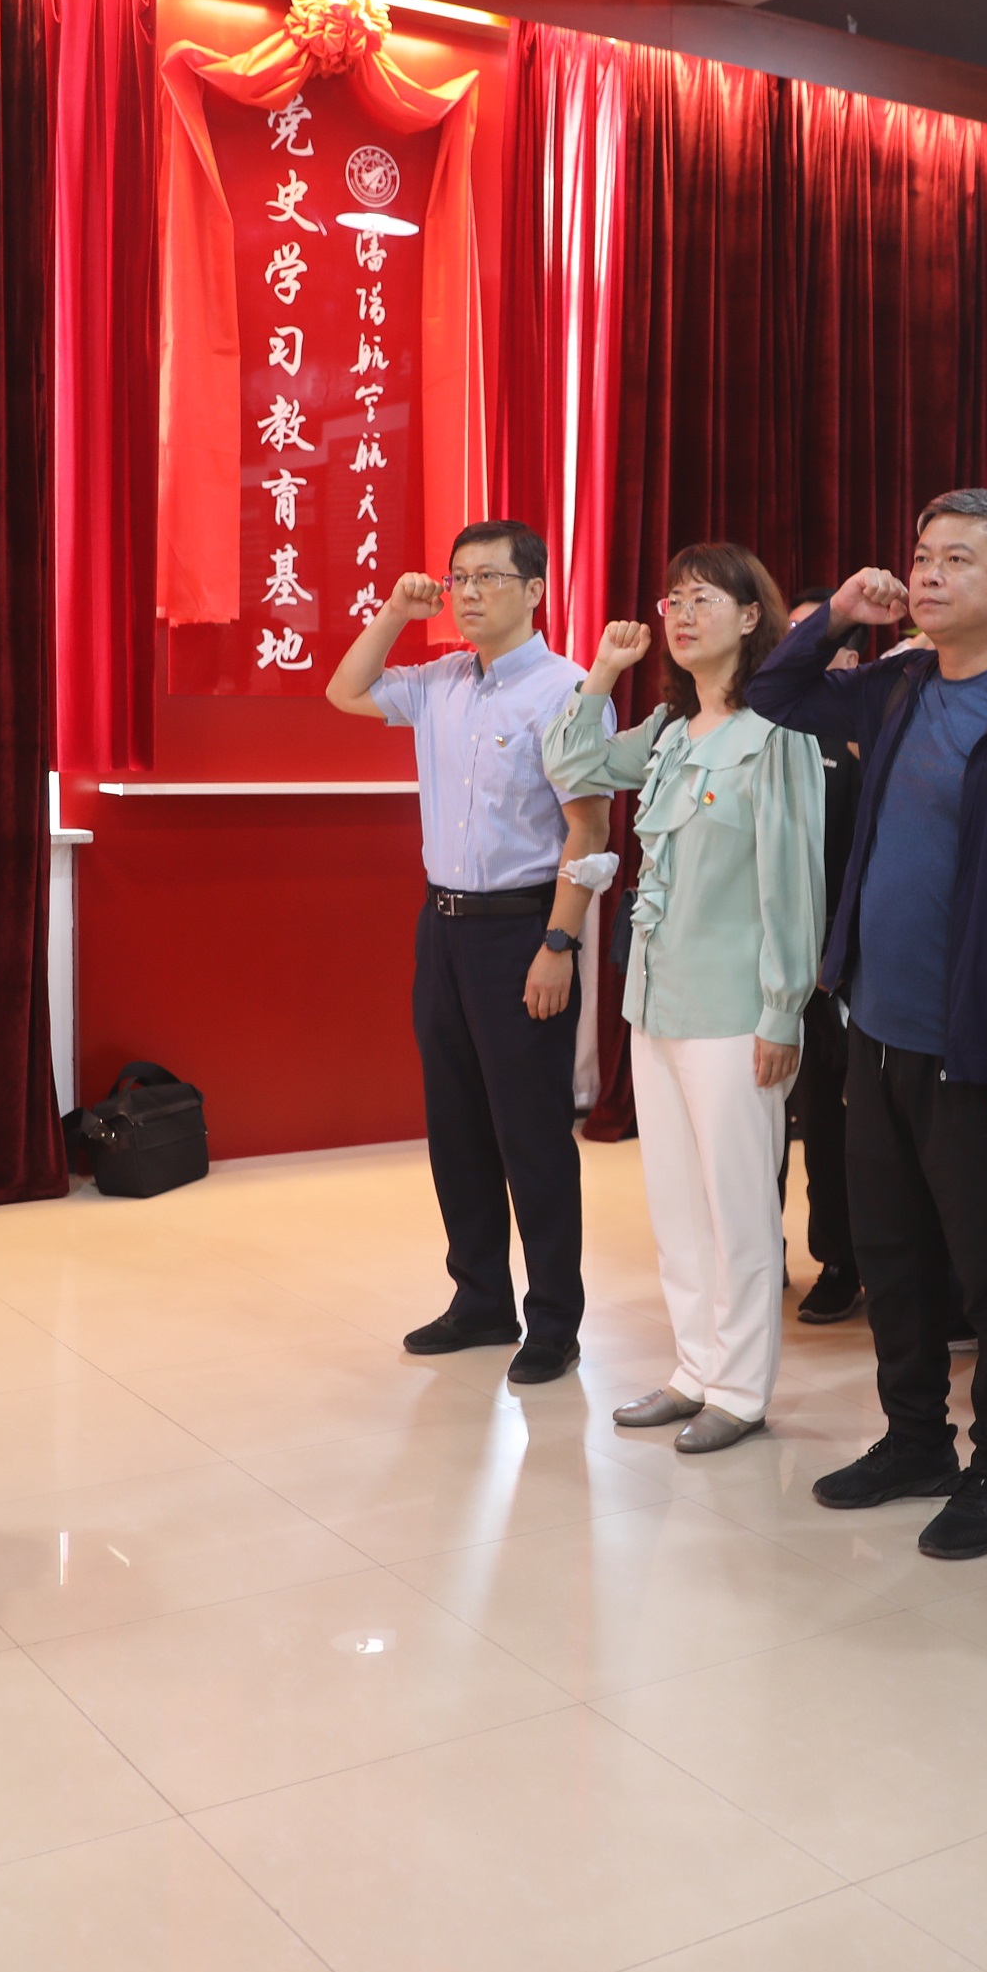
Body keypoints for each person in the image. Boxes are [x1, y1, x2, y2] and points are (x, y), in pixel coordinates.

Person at [748, 491, 987, 1559]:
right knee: (894, 1258)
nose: (929, 574)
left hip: (981, 1051)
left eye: (957, 559)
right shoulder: (898, 683)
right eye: (921, 555)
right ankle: (914, 1440)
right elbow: (775, 690)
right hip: (878, 1031)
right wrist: (836, 617)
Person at [546, 545, 825, 1454]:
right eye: (673, 600)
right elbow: (571, 761)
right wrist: (603, 670)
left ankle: (739, 1390)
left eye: (703, 598)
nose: (682, 614)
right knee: (674, 1205)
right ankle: (695, 1369)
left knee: (737, 1208)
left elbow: (793, 884)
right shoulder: (669, 730)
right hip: (657, 1002)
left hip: (737, 1009)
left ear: (750, 617)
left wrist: (782, 1011)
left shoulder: (776, 733)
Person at [326, 522, 610, 1384]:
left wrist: (559, 942)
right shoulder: (441, 681)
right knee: (455, 1126)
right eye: (459, 578)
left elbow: (588, 829)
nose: (470, 593)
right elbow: (345, 690)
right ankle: (480, 1298)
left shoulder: (568, 691)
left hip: (524, 929)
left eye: (490, 577)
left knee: (532, 1134)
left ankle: (554, 1320)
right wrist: (395, 610)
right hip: (442, 928)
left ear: (536, 590)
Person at [783, 590, 866, 1324]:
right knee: (760, 1124)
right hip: (760, 961)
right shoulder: (761, 730)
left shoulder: (860, 742)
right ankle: (757, 1251)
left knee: (830, 1122)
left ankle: (840, 1260)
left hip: (832, 968)